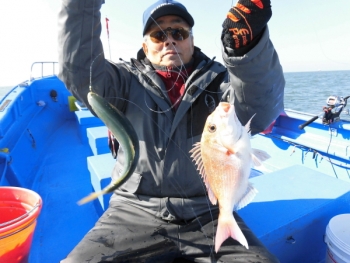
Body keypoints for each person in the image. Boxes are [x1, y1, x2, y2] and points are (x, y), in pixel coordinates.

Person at [58, 0, 284, 262]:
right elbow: (78, 72)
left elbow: (262, 108)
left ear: (191, 40)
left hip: (207, 209)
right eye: (158, 34)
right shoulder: (119, 82)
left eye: (179, 33)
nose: (169, 41)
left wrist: (246, 47)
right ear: (145, 45)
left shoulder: (220, 82)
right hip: (133, 207)